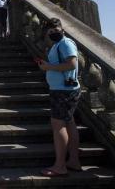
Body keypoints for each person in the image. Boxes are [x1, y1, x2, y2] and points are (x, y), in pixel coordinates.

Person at [37, 18, 81, 177]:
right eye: (51, 32)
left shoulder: (65, 43)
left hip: (63, 91)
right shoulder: (59, 44)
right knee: (69, 123)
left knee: (58, 126)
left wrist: (48, 67)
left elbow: (72, 64)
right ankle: (73, 161)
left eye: (57, 30)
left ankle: (60, 166)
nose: (54, 33)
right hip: (64, 89)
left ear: (62, 29)